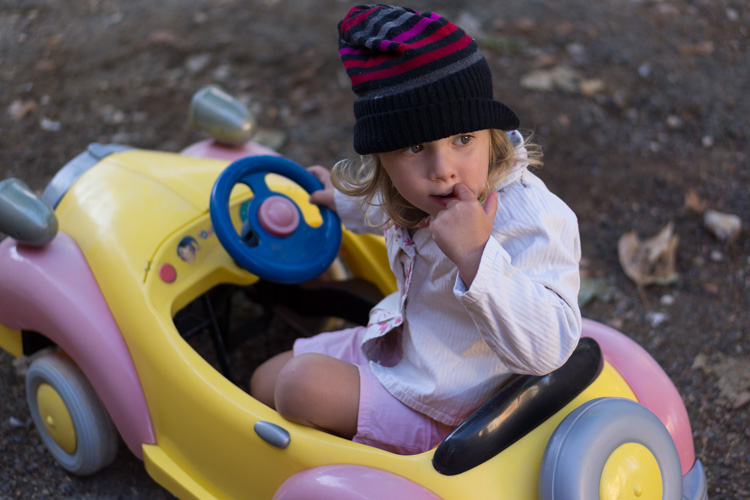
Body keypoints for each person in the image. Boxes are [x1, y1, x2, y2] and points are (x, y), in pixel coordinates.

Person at [250, 4, 581, 455]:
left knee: (298, 386)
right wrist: (339, 199)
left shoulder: (533, 218)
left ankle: (348, 461)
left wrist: (476, 256)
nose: (444, 170)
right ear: (382, 158)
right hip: (404, 344)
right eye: (415, 146)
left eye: (463, 139)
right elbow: (385, 206)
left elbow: (551, 348)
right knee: (262, 380)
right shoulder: (412, 192)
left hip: (453, 406)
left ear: (490, 132)